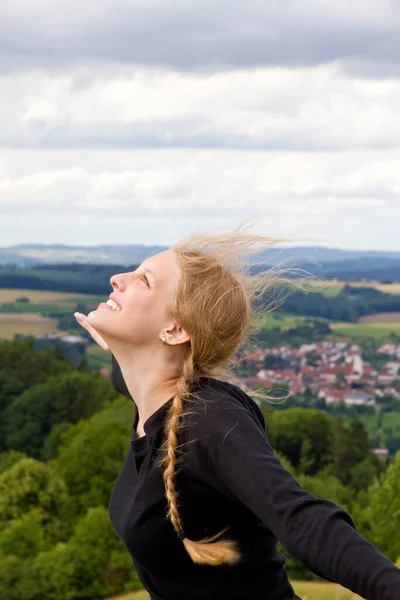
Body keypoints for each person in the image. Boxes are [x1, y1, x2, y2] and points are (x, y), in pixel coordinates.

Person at [75, 230, 399, 600]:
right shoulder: (149, 394)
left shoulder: (210, 422)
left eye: (144, 280)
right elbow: (133, 375)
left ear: (176, 329)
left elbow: (300, 517)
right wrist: (123, 348)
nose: (118, 279)